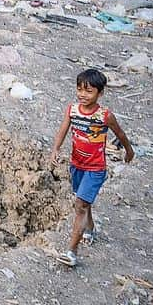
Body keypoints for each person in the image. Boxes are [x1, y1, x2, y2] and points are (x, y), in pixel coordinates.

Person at [48, 69, 134, 267]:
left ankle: (71, 252)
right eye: (79, 90)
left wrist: (128, 150)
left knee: (80, 205)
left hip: (95, 168)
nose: (83, 95)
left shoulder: (105, 116)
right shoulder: (72, 110)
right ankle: (90, 229)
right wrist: (55, 149)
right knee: (83, 201)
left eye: (88, 91)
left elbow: (119, 133)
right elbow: (63, 129)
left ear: (100, 94)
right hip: (77, 165)